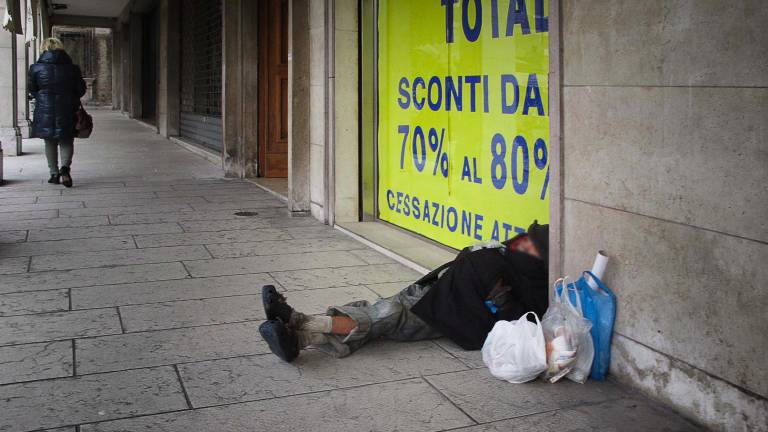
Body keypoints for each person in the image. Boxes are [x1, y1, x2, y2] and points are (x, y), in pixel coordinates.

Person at [259, 221, 549, 362]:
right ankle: (299, 335)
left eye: (528, 244)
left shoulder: (539, 283)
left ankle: (304, 323)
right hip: (444, 286)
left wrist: (494, 290)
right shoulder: (529, 248)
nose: (523, 243)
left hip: (456, 311)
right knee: (383, 310)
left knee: (389, 315)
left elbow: (517, 317)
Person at [28, 37, 87, 187]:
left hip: (45, 109)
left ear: (43, 49)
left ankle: (54, 174)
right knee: (66, 139)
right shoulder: (73, 68)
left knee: (50, 141)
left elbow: (32, 90)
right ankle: (65, 169)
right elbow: (81, 90)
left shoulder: (35, 68)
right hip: (67, 107)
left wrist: (43, 97)